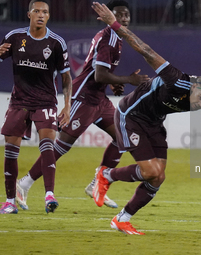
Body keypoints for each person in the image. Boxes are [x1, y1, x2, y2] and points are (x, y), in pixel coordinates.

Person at [90, 2, 201, 235]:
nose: (199, 104)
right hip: (131, 115)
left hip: (154, 121)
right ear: (194, 86)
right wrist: (114, 24)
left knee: (158, 177)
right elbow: (145, 50)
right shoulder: (177, 80)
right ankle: (105, 174)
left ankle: (121, 219)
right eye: (199, 98)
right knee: (149, 171)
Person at [15, 0, 149, 211]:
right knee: (60, 148)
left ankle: (97, 184)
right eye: (118, 15)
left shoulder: (118, 38)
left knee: (123, 136)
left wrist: (114, 84)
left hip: (99, 99)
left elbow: (102, 74)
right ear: (108, 17)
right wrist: (127, 80)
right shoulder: (107, 39)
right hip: (84, 98)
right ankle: (23, 184)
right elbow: (99, 74)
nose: (123, 19)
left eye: (126, 15)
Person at [0, 0, 72, 214]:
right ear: (28, 14)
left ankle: (49, 194)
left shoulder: (57, 43)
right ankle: (10, 201)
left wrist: (67, 106)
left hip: (45, 101)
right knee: (11, 151)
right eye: (37, 11)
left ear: (49, 16)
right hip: (19, 102)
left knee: (48, 143)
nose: (41, 15)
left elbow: (66, 77)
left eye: (45, 12)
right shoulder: (15, 37)